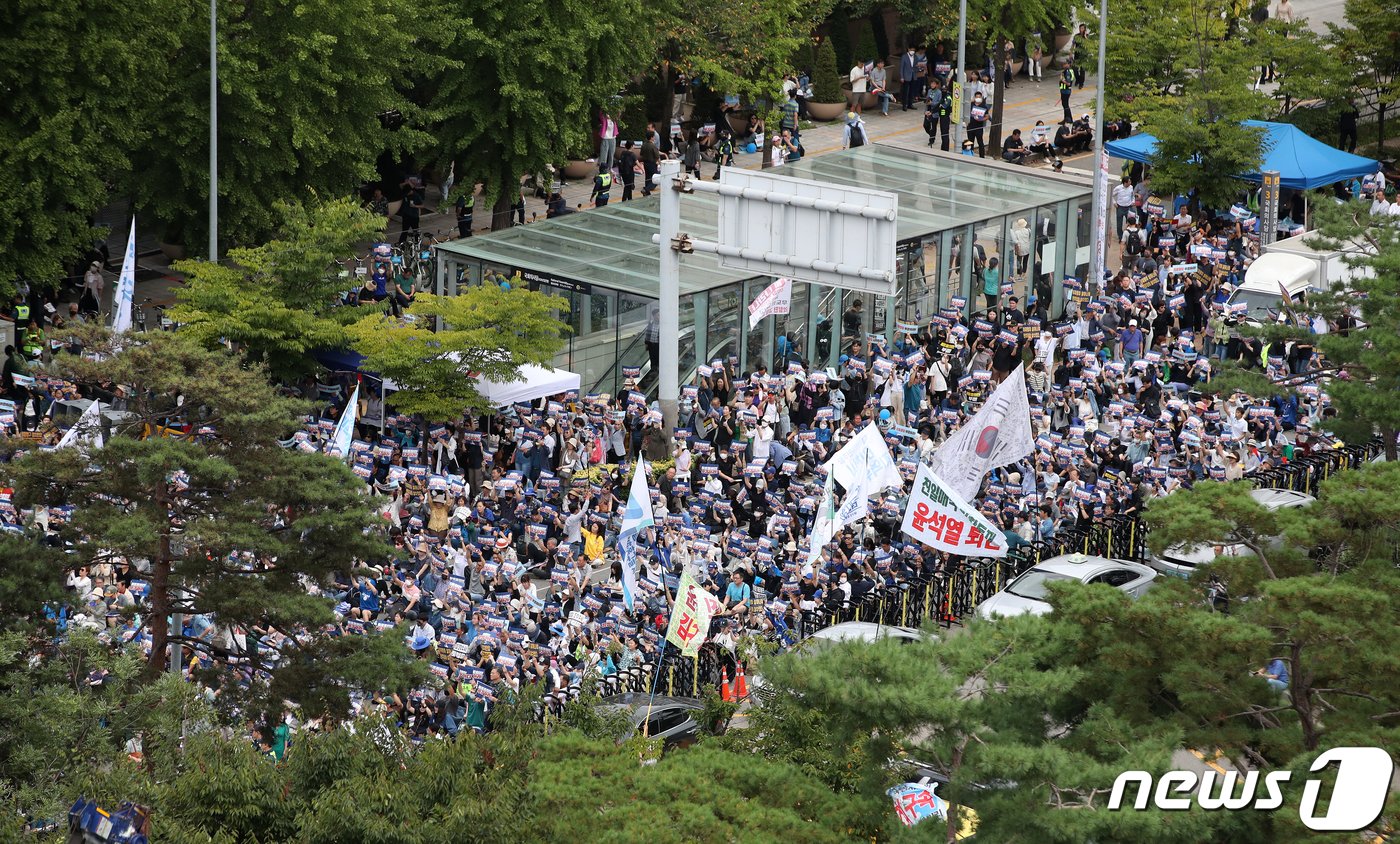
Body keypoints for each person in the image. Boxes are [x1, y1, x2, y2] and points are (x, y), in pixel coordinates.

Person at [966, 92, 989, 158]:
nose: (978, 98)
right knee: (970, 142)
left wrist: (981, 119)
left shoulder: (984, 106)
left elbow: (987, 116)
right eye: (977, 97)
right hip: (970, 126)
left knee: (980, 142)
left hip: (979, 127)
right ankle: (970, 155)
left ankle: (982, 156)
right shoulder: (971, 104)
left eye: (979, 97)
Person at [640, 130, 660, 196]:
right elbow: (657, 155)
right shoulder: (652, 146)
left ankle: (646, 193)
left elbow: (641, 154)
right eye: (653, 136)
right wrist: (659, 162)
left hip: (646, 163)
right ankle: (646, 189)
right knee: (656, 178)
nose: (654, 138)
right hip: (652, 163)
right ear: (651, 137)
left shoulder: (644, 144)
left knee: (648, 178)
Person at [900, 46, 919, 111]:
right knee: (905, 91)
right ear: (908, 49)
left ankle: (910, 104)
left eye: (914, 50)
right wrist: (902, 77)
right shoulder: (904, 57)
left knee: (912, 91)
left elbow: (916, 66)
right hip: (906, 76)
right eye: (911, 49)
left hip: (913, 75)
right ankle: (904, 105)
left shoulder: (915, 57)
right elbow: (901, 67)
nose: (913, 51)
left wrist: (917, 67)